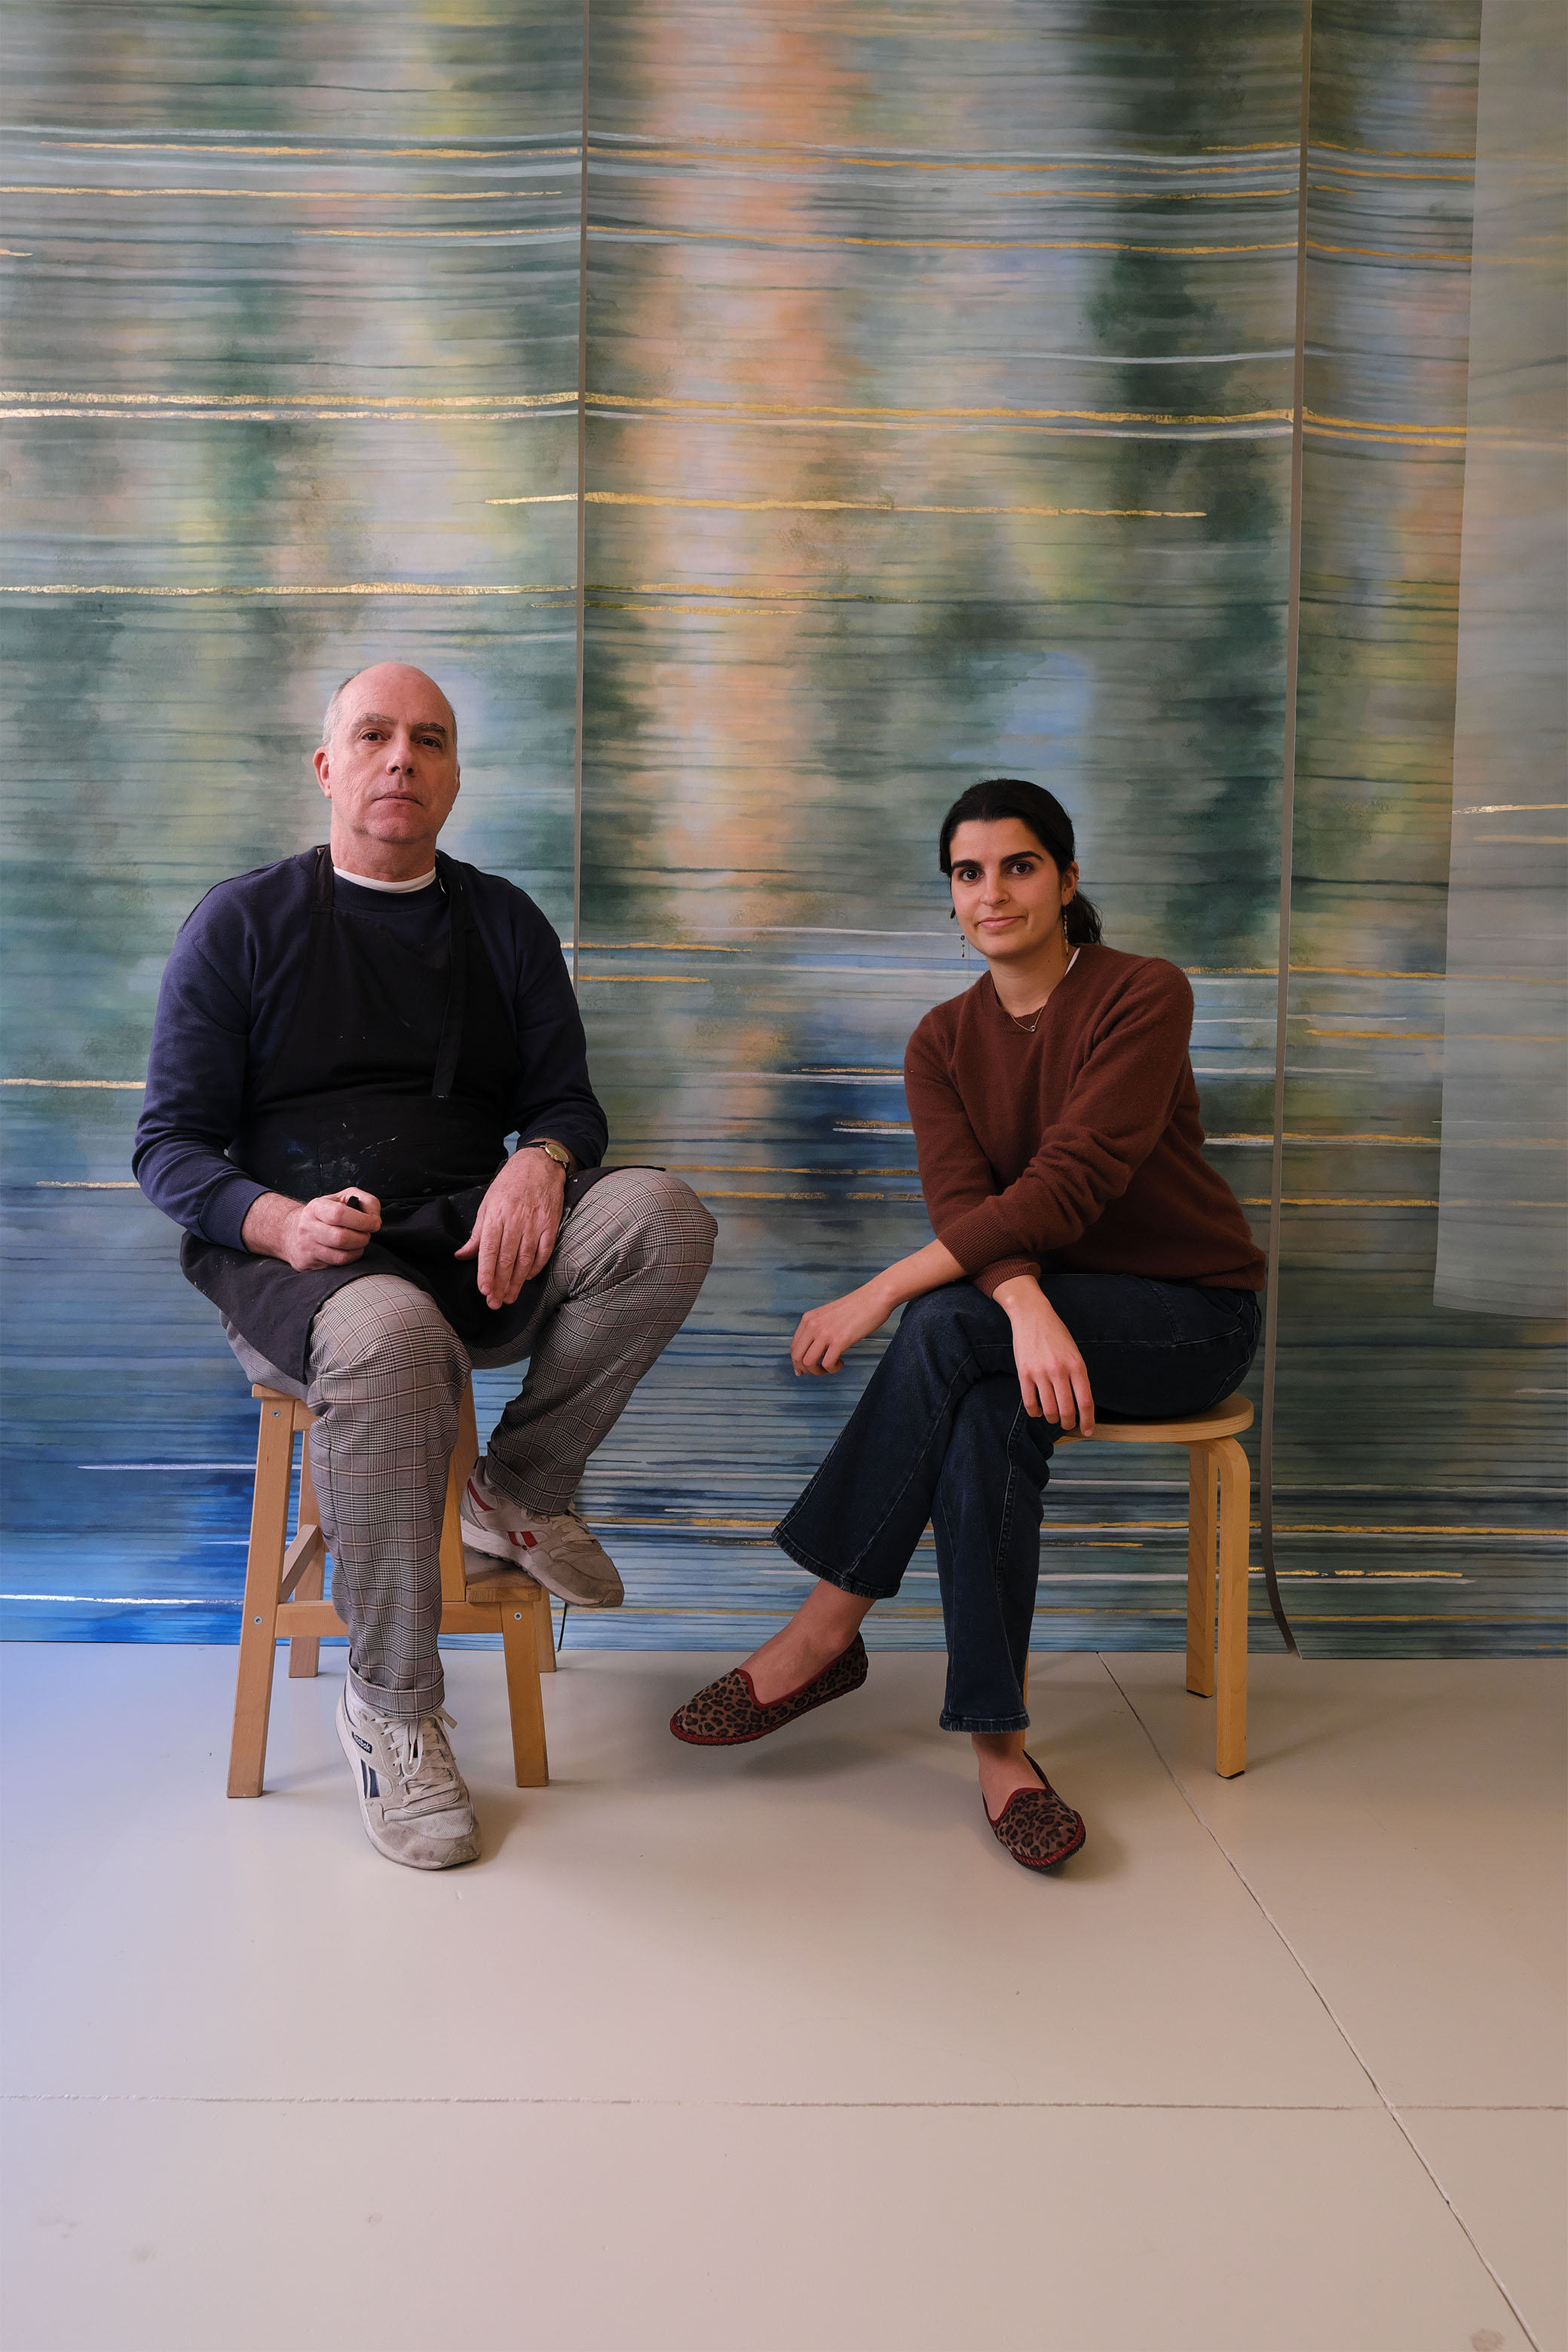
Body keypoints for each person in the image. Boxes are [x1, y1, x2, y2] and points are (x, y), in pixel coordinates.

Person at [134, 663, 716, 1870]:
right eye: (375, 734)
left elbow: (567, 1102)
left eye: (429, 739)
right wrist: (277, 1222)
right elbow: (169, 1148)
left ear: (452, 779)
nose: (402, 756)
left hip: (470, 1238)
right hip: (303, 1260)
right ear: (328, 767)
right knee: (392, 1336)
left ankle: (517, 1492)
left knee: (661, 1217)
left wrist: (542, 1160)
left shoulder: (503, 923)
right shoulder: (240, 923)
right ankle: (391, 1708)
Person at [670, 778, 1263, 1873]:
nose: (993, 892)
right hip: (1027, 1328)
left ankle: (824, 1630)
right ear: (951, 894)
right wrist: (1025, 1302)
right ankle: (1001, 1750)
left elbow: (1072, 1180)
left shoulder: (1144, 993)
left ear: (1068, 880)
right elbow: (966, 1206)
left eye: (1019, 866)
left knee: (941, 1324)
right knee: (983, 1414)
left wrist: (878, 1292)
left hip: (1187, 1316)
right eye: (969, 872)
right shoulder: (941, 1040)